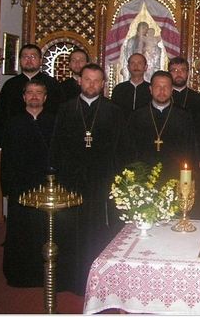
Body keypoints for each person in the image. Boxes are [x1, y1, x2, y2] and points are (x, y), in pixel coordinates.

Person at [50, 63, 132, 295]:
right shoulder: (66, 109)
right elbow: (57, 145)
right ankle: (70, 278)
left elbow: (123, 149)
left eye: (97, 81)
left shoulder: (114, 111)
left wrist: (118, 179)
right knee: (70, 230)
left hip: (102, 183)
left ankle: (101, 283)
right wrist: (56, 175)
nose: (92, 84)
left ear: (103, 84)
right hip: (72, 181)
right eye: (87, 79)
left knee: (100, 232)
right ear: (79, 81)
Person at [1, 79, 56, 288]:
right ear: (24, 97)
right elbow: (7, 159)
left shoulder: (54, 121)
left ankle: (44, 273)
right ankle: (20, 274)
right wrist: (7, 187)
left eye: (38, 92)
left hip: (45, 185)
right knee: (20, 232)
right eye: (30, 92)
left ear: (45, 97)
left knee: (44, 230)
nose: (34, 96)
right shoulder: (13, 123)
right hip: (20, 186)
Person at [0, 43, 63, 157]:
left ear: (40, 60)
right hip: (16, 140)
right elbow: (1, 116)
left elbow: (60, 115)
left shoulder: (52, 84)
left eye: (33, 57)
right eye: (25, 57)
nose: (29, 60)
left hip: (46, 140)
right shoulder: (10, 85)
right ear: (20, 60)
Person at [128, 70, 196, 181]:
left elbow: (189, 150)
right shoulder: (137, 116)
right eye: (158, 87)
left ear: (172, 90)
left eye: (166, 87)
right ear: (150, 89)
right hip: (143, 175)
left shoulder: (183, 116)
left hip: (174, 174)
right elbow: (130, 150)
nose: (162, 91)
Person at [168, 57, 200, 218]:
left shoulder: (198, 99)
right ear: (169, 73)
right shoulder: (165, 97)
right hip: (170, 152)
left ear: (188, 73)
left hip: (193, 153)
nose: (178, 74)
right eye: (174, 70)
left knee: (192, 191)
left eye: (182, 70)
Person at [111, 53, 151, 119]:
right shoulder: (119, 89)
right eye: (132, 63)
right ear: (128, 67)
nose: (136, 66)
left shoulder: (151, 89)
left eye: (139, 63)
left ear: (145, 67)